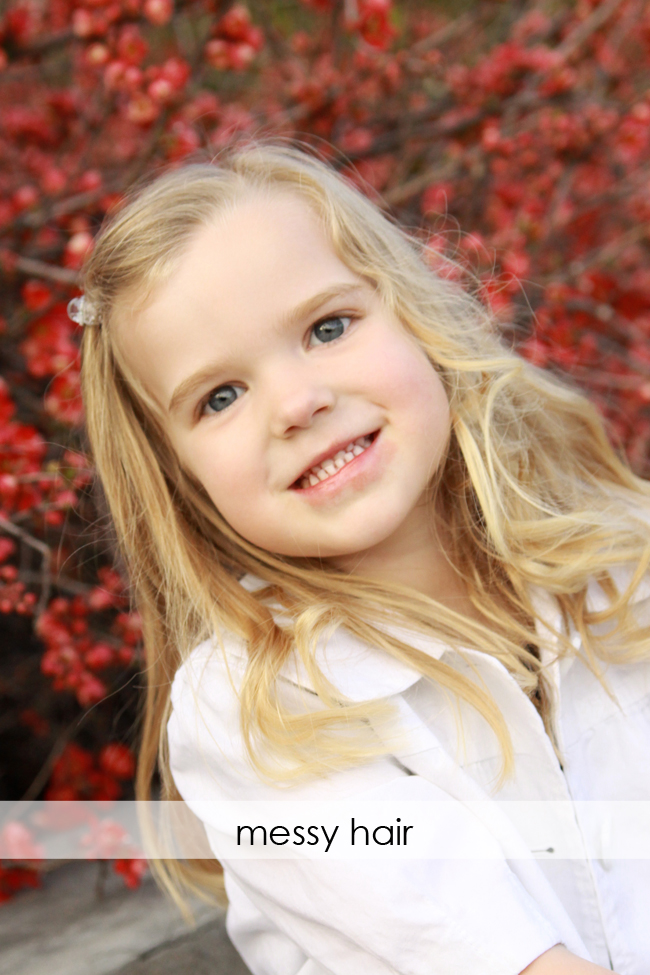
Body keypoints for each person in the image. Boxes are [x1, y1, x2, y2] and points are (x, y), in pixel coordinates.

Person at [75, 139, 650, 975]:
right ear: (179, 474)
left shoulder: (614, 559)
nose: (299, 402)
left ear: (413, 313)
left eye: (328, 327)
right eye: (220, 396)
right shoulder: (258, 713)